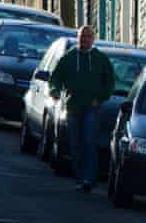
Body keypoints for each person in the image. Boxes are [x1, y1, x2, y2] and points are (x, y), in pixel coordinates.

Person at [49, 25, 115, 192]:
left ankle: (89, 178)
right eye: (82, 36)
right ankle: (79, 178)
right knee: (76, 144)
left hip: (91, 108)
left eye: (88, 36)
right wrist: (55, 90)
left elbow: (110, 83)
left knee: (88, 141)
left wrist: (99, 98)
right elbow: (55, 77)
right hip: (72, 107)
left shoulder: (100, 59)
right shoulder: (69, 58)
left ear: (93, 39)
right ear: (78, 38)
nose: (84, 39)